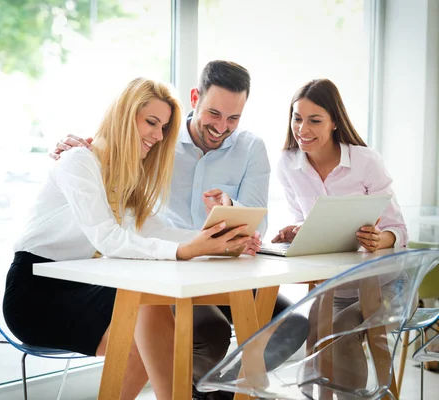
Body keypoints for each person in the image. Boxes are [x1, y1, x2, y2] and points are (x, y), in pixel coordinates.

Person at [50, 61, 310, 400]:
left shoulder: (250, 148)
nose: (221, 127)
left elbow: (257, 225)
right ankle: (197, 390)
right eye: (214, 114)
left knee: (292, 324)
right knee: (211, 331)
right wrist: (80, 149)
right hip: (170, 266)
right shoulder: (158, 141)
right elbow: (115, 155)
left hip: (222, 265)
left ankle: (213, 390)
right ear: (194, 98)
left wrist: (227, 212)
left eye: (233, 118)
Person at [2, 77, 254, 400]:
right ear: (125, 116)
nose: (158, 135)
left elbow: (158, 231)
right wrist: (187, 250)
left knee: (146, 307)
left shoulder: (125, 180)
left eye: (163, 127)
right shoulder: (78, 162)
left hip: (83, 285)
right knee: (144, 305)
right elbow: (108, 238)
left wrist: (221, 238)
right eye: (151, 122)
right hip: (35, 295)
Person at [272, 78, 409, 393]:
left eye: (314, 120)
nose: (302, 128)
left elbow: (399, 230)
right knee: (316, 336)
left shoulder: (364, 160)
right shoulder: (287, 164)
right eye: (297, 118)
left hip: (384, 284)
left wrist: (380, 239)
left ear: (334, 122)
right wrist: (297, 231)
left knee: (343, 331)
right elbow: (306, 222)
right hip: (335, 288)